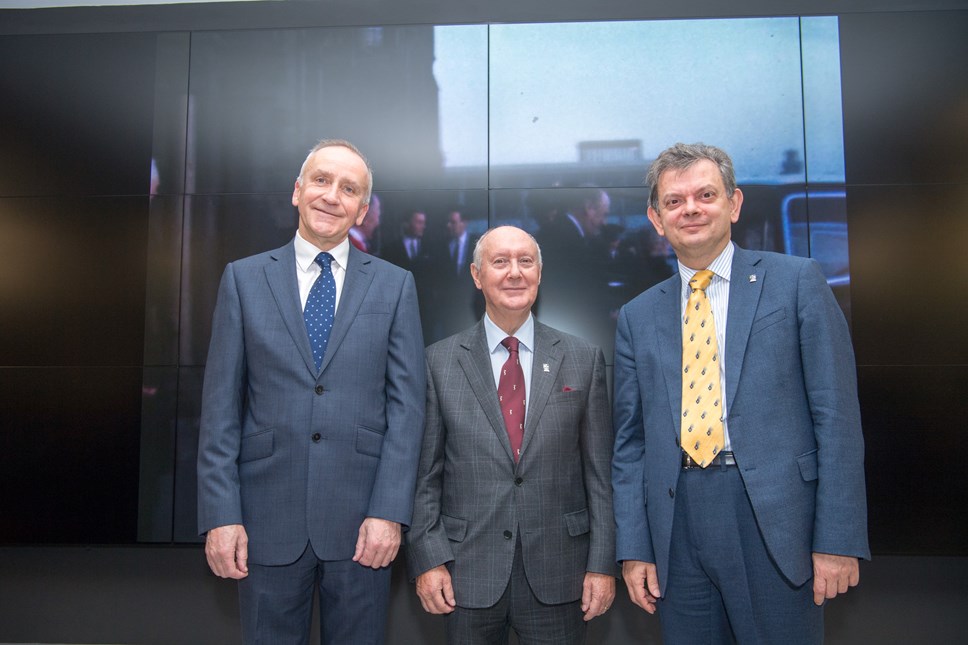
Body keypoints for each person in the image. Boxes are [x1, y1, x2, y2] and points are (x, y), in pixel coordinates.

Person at [612, 142, 869, 644]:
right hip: (677, 522)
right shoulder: (637, 316)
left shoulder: (797, 282)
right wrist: (635, 546)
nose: (691, 208)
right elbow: (631, 444)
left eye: (705, 194)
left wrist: (837, 538)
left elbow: (836, 415)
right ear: (656, 218)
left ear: (734, 203)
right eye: (674, 201)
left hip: (776, 520)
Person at [197, 139, 426, 645]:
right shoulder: (243, 279)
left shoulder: (395, 286)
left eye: (349, 189)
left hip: (364, 528)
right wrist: (221, 515)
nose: (332, 196)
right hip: (263, 522)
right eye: (321, 180)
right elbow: (219, 412)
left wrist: (389, 512)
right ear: (297, 191)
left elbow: (408, 411)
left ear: (363, 210)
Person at [407, 225, 617, 645]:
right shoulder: (439, 362)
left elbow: (600, 477)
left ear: (539, 272)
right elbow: (424, 477)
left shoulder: (582, 359)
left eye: (525, 261)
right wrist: (428, 559)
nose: (514, 272)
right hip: (466, 573)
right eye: (500, 262)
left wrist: (602, 563)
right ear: (476, 274)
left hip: (562, 572)